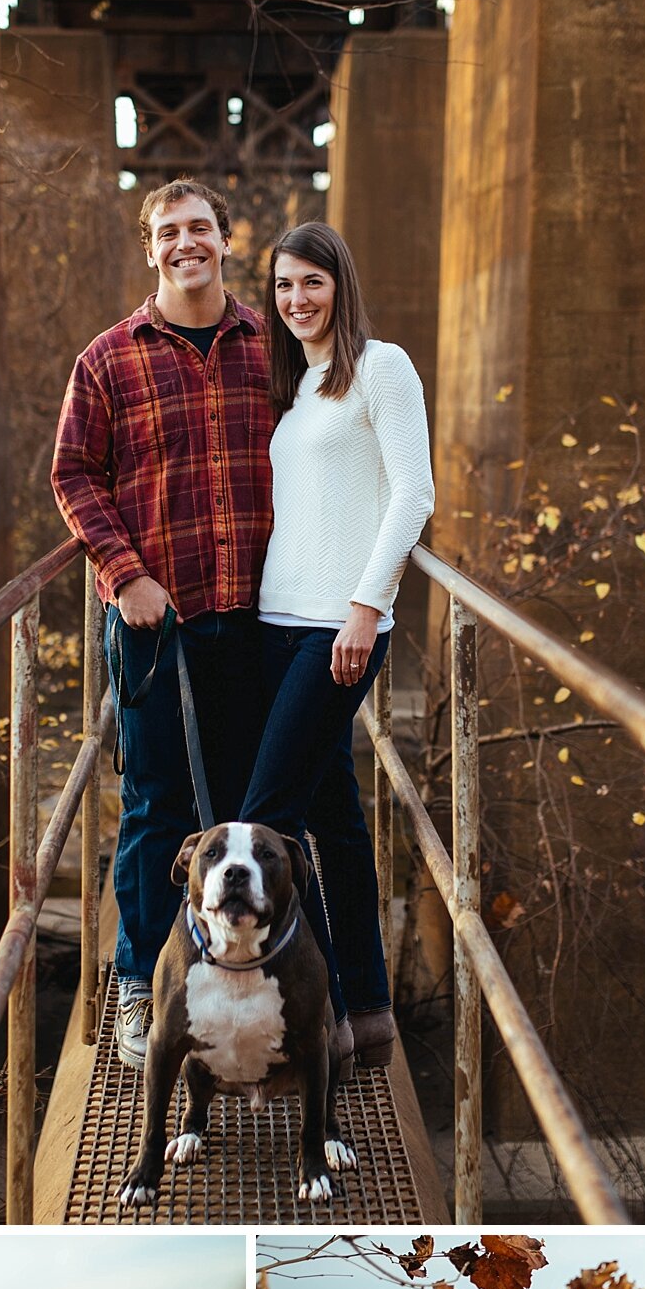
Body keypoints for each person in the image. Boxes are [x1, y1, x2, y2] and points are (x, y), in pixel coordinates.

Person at [53, 180, 274, 1070]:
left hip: (265, 617)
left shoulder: (276, 350)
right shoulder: (107, 360)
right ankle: (143, 989)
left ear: (227, 240)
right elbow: (74, 475)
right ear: (149, 249)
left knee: (254, 815)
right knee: (156, 810)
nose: (187, 243)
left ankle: (259, 978)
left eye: (201, 229)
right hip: (158, 623)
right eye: (168, 232)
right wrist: (124, 572)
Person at [240, 223, 434, 1065]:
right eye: (283, 287)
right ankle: (366, 1010)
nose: (296, 301)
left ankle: (306, 1015)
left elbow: (414, 494)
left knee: (266, 820)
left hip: (337, 627)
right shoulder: (299, 382)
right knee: (334, 821)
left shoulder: (380, 368)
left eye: (310, 283)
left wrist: (367, 605)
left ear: (339, 284)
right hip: (275, 623)